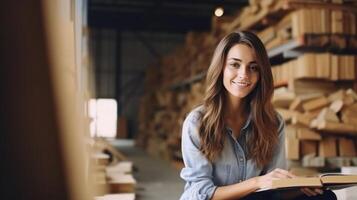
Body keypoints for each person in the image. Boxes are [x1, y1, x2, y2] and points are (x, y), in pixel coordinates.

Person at [179, 31, 336, 200]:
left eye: (253, 67)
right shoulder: (197, 122)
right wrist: (256, 182)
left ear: (261, 74)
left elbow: (272, 189)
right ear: (221, 68)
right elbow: (200, 194)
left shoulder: (273, 122)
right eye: (235, 65)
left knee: (324, 197)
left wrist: (300, 186)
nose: (244, 75)